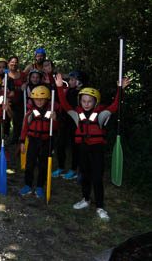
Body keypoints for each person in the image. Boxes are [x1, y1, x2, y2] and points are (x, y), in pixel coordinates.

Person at [55, 73, 130, 221]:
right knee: (84, 176)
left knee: (97, 178)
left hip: (97, 150)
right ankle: (85, 199)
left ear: (95, 102)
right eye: (84, 101)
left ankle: (100, 207)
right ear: (80, 101)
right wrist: (59, 88)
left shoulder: (101, 115)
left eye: (90, 101)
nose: (86, 104)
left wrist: (120, 89)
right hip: (83, 148)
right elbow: (64, 105)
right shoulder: (77, 114)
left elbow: (115, 105)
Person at [19, 86, 58, 199]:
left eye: (42, 99)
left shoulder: (51, 113)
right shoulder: (30, 113)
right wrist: (22, 142)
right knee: (29, 164)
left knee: (43, 165)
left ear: (47, 100)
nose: (39, 101)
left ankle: (40, 186)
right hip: (33, 141)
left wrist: (54, 119)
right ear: (33, 100)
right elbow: (24, 129)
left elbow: (56, 128)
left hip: (46, 141)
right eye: (37, 99)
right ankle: (28, 184)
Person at [52, 70, 84, 179]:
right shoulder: (70, 90)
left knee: (75, 147)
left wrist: (60, 87)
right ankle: (61, 167)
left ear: (79, 82)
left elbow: (65, 104)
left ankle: (74, 169)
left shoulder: (80, 94)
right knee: (60, 145)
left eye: (72, 80)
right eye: (70, 79)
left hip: (75, 123)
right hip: (64, 121)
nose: (69, 81)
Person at [7, 56, 27, 145]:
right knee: (6, 120)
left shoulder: (22, 75)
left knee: (18, 121)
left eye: (15, 62)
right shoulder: (5, 74)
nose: (14, 64)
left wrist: (25, 84)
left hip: (20, 101)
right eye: (12, 62)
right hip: (8, 101)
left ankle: (16, 139)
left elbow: (28, 81)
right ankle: (5, 137)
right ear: (8, 63)